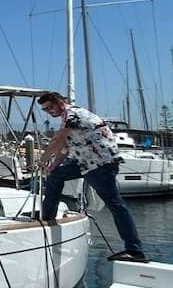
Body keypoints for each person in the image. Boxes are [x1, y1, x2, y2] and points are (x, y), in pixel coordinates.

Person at [37, 91, 147, 262]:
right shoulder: (71, 118)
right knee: (55, 176)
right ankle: (47, 218)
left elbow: (58, 139)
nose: (48, 111)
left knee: (115, 205)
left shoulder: (72, 114)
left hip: (100, 164)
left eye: (50, 107)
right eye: (44, 110)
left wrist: (42, 159)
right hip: (86, 162)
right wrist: (52, 166)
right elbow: (65, 146)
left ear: (59, 102)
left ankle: (134, 250)